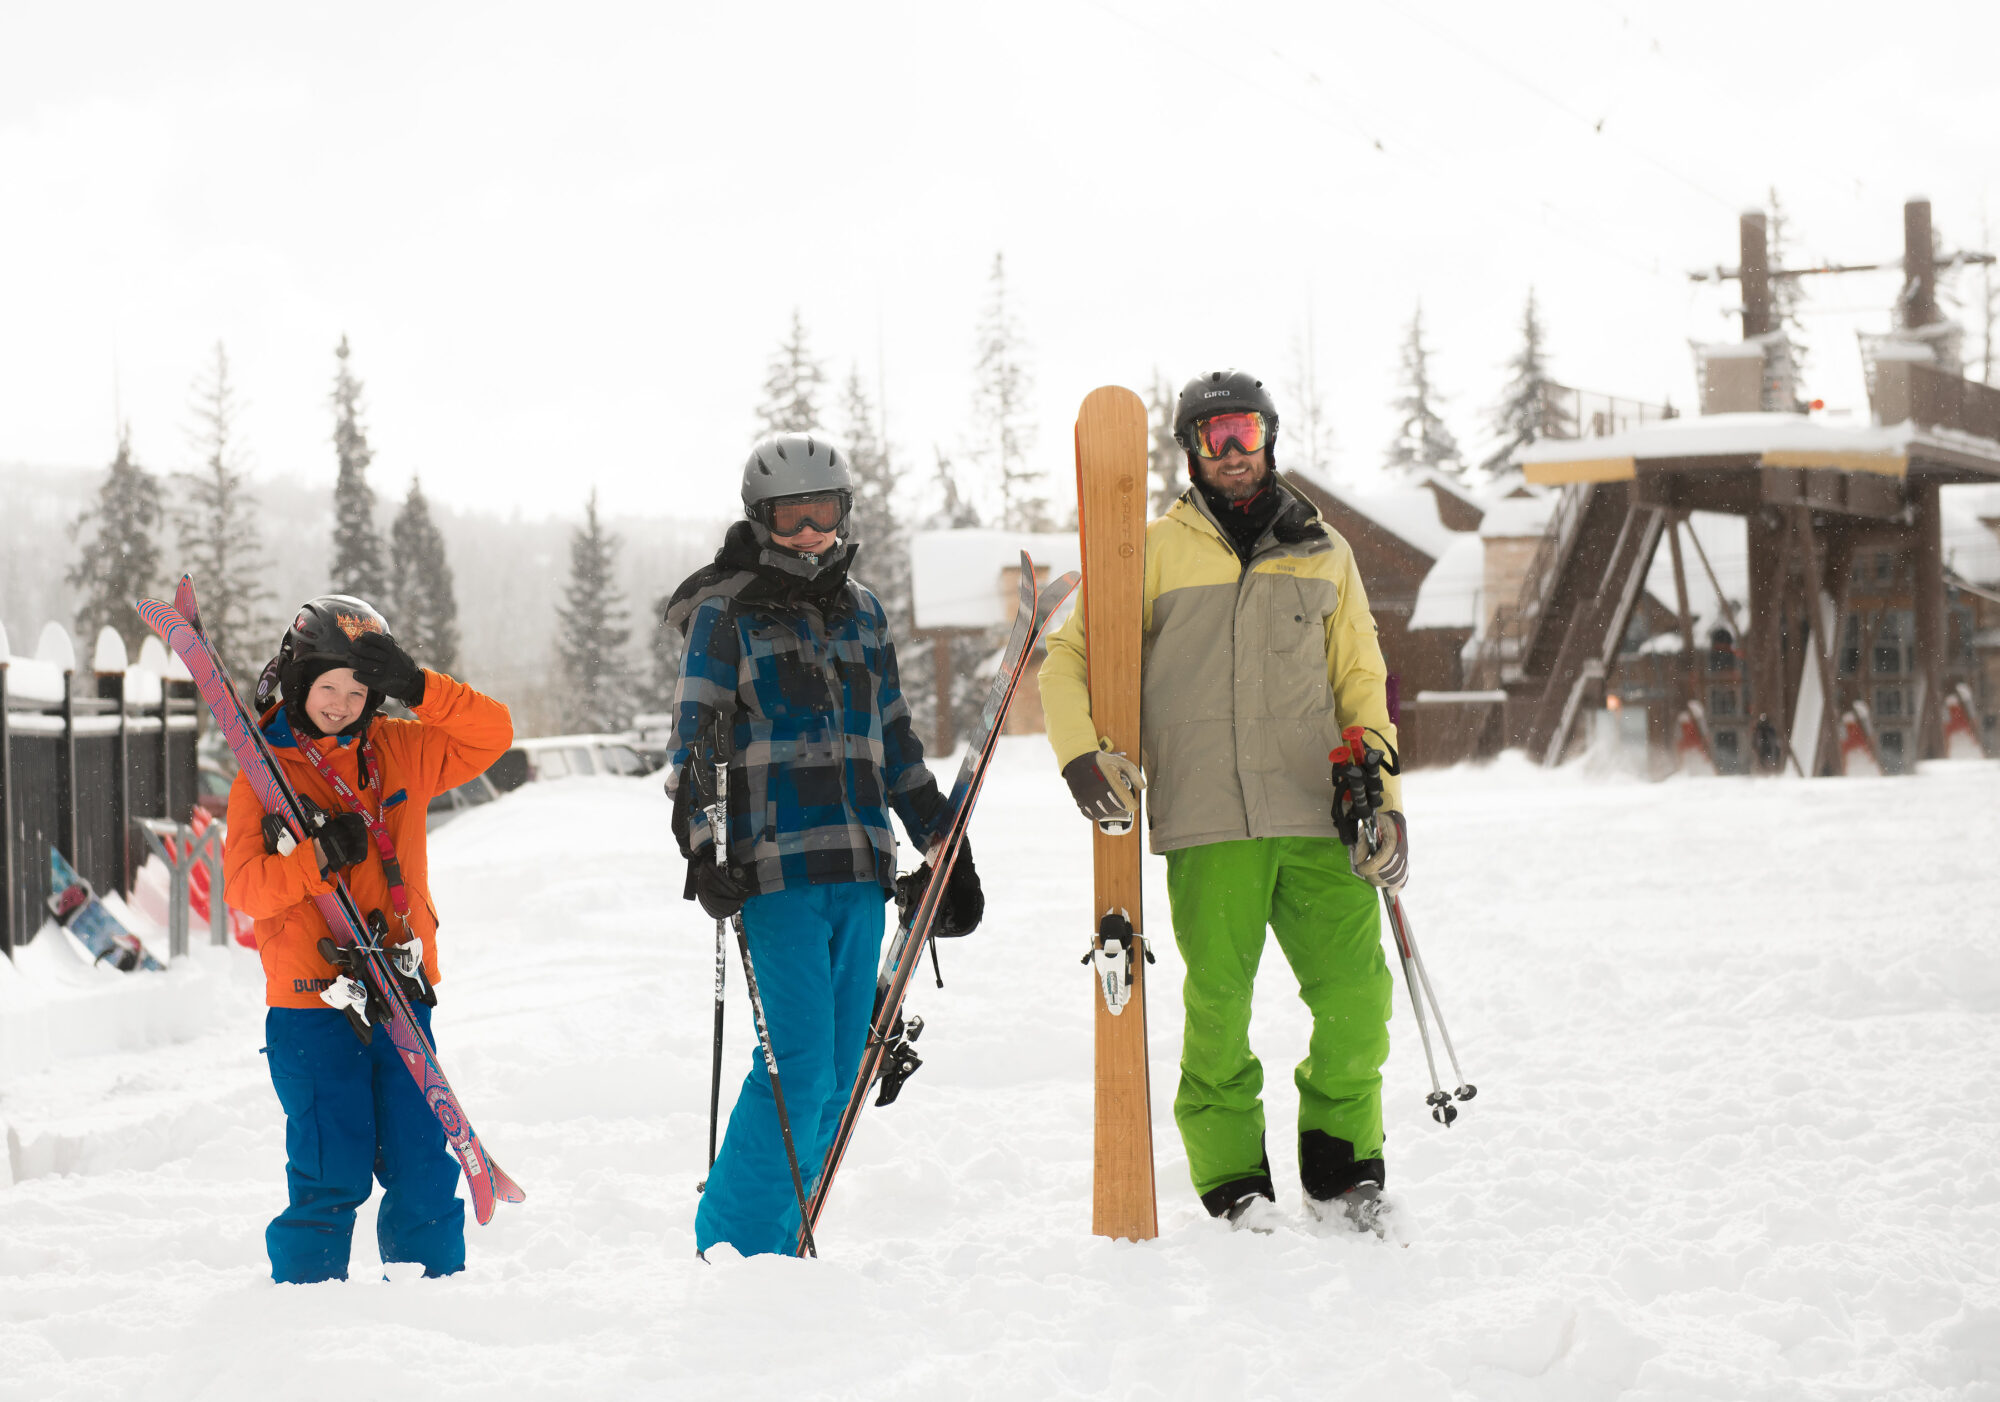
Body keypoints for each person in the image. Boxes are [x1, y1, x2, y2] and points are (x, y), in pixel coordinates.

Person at [1039, 369, 1409, 1237]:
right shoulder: (1152, 553)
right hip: (1210, 821)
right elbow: (1070, 659)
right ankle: (1235, 1181)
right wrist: (1079, 756)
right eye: (1214, 438)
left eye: (1245, 433)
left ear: (1270, 437)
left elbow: (1362, 678)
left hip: (1321, 813)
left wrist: (1382, 800)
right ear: (1191, 451)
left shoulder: (1324, 550)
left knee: (1358, 1001)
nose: (1232, 453)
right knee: (1220, 1012)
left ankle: (1344, 1166)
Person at [665, 432, 982, 1259]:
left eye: (825, 511)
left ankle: (776, 1235)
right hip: (775, 872)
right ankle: (733, 1248)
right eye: (791, 515)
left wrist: (944, 842)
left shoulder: (864, 610)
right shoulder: (723, 612)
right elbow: (695, 743)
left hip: (861, 868)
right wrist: (704, 848)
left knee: (841, 1072)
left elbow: (897, 743)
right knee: (797, 1070)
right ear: (760, 519)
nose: (810, 530)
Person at [222, 596, 513, 1283]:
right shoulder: (265, 774)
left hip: (402, 992)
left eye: (359, 691)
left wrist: (420, 689)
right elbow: (243, 888)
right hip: (311, 1005)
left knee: (422, 1165)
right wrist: (311, 862)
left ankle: (431, 1302)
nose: (341, 704)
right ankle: (307, 1313)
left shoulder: (401, 750)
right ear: (298, 683)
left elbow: (492, 735)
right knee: (332, 1169)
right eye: (327, 687)